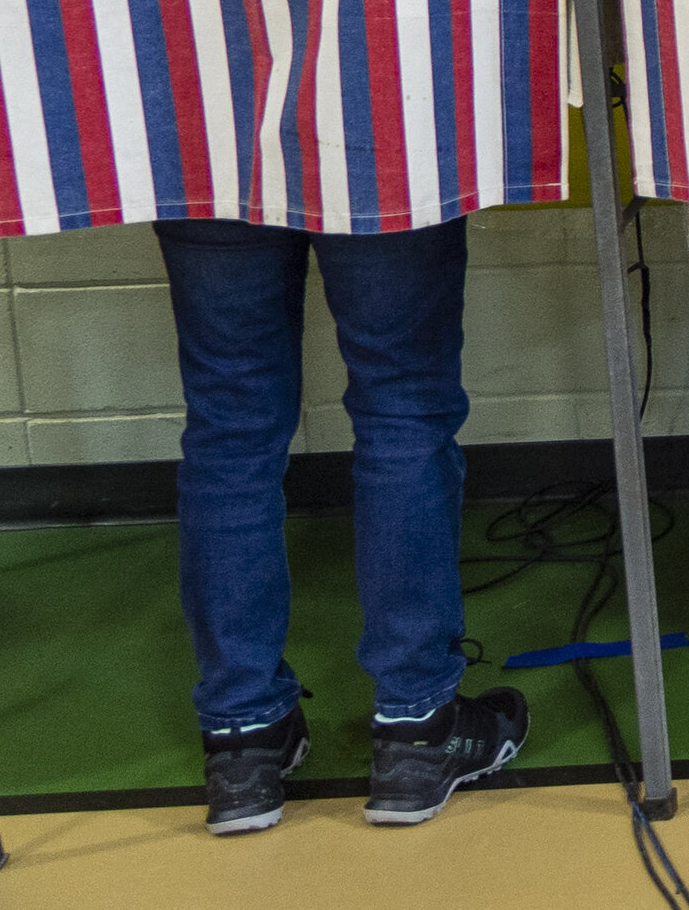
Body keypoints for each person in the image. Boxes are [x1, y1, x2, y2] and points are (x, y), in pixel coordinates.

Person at [156, 217, 527, 837]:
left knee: (230, 428)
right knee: (403, 404)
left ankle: (240, 742)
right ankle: (418, 728)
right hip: (379, 136)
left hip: (207, 140)